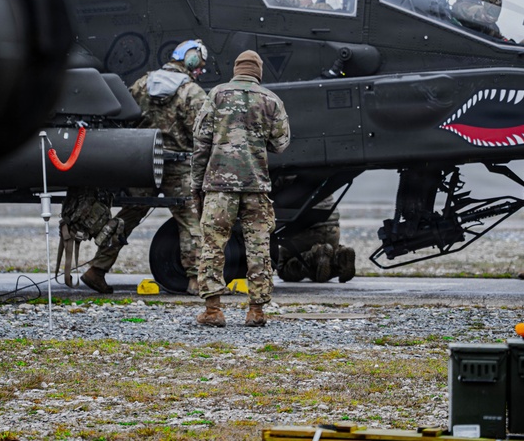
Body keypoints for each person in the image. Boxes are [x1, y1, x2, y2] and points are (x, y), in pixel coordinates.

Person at [78, 39, 209, 295]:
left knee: (128, 216)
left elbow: (124, 114)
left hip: (142, 162)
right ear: (191, 60)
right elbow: (204, 131)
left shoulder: (143, 83)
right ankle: (195, 280)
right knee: (190, 220)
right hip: (178, 166)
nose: (200, 71)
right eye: (200, 65)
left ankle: (97, 269)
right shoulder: (191, 93)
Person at [192, 50, 291, 327]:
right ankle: (256, 311)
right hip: (256, 186)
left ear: (236, 69)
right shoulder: (271, 100)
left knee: (213, 245)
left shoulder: (216, 95)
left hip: (218, 187)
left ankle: (213, 311)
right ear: (258, 72)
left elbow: (200, 143)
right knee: (258, 248)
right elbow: (281, 144)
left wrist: (196, 184)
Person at [275, 195, 357, 283]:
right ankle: (339, 258)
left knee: (283, 268)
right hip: (332, 224)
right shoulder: (319, 180)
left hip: (305, 226)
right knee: (322, 267)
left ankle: (315, 255)